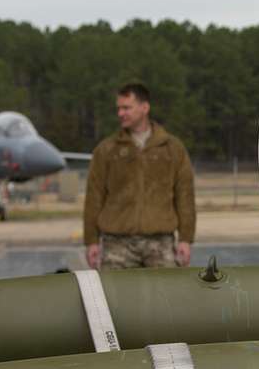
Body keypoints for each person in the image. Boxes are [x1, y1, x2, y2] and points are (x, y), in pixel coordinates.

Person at [83, 83, 196, 270]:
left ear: (145, 107)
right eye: (119, 108)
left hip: (160, 244)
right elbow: (94, 197)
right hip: (116, 245)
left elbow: (185, 196)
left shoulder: (172, 149)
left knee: (165, 297)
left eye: (126, 107)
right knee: (114, 298)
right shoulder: (106, 150)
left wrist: (185, 239)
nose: (120, 113)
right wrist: (91, 241)